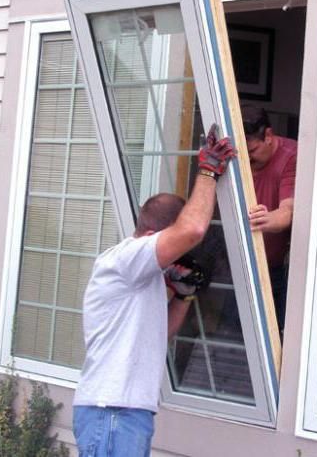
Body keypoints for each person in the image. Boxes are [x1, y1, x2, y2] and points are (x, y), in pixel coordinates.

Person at [72, 125, 235, 457]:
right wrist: (208, 172)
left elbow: (160, 334)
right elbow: (192, 229)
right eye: (170, 245)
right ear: (151, 236)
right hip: (111, 412)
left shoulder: (144, 277)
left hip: (126, 412)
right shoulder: (125, 259)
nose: (176, 256)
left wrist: (184, 294)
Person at [242, 105, 297, 335]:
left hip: (275, 269)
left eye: (252, 150)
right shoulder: (239, 156)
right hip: (240, 263)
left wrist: (264, 219)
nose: (246, 159)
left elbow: (287, 212)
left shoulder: (292, 156)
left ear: (268, 136)